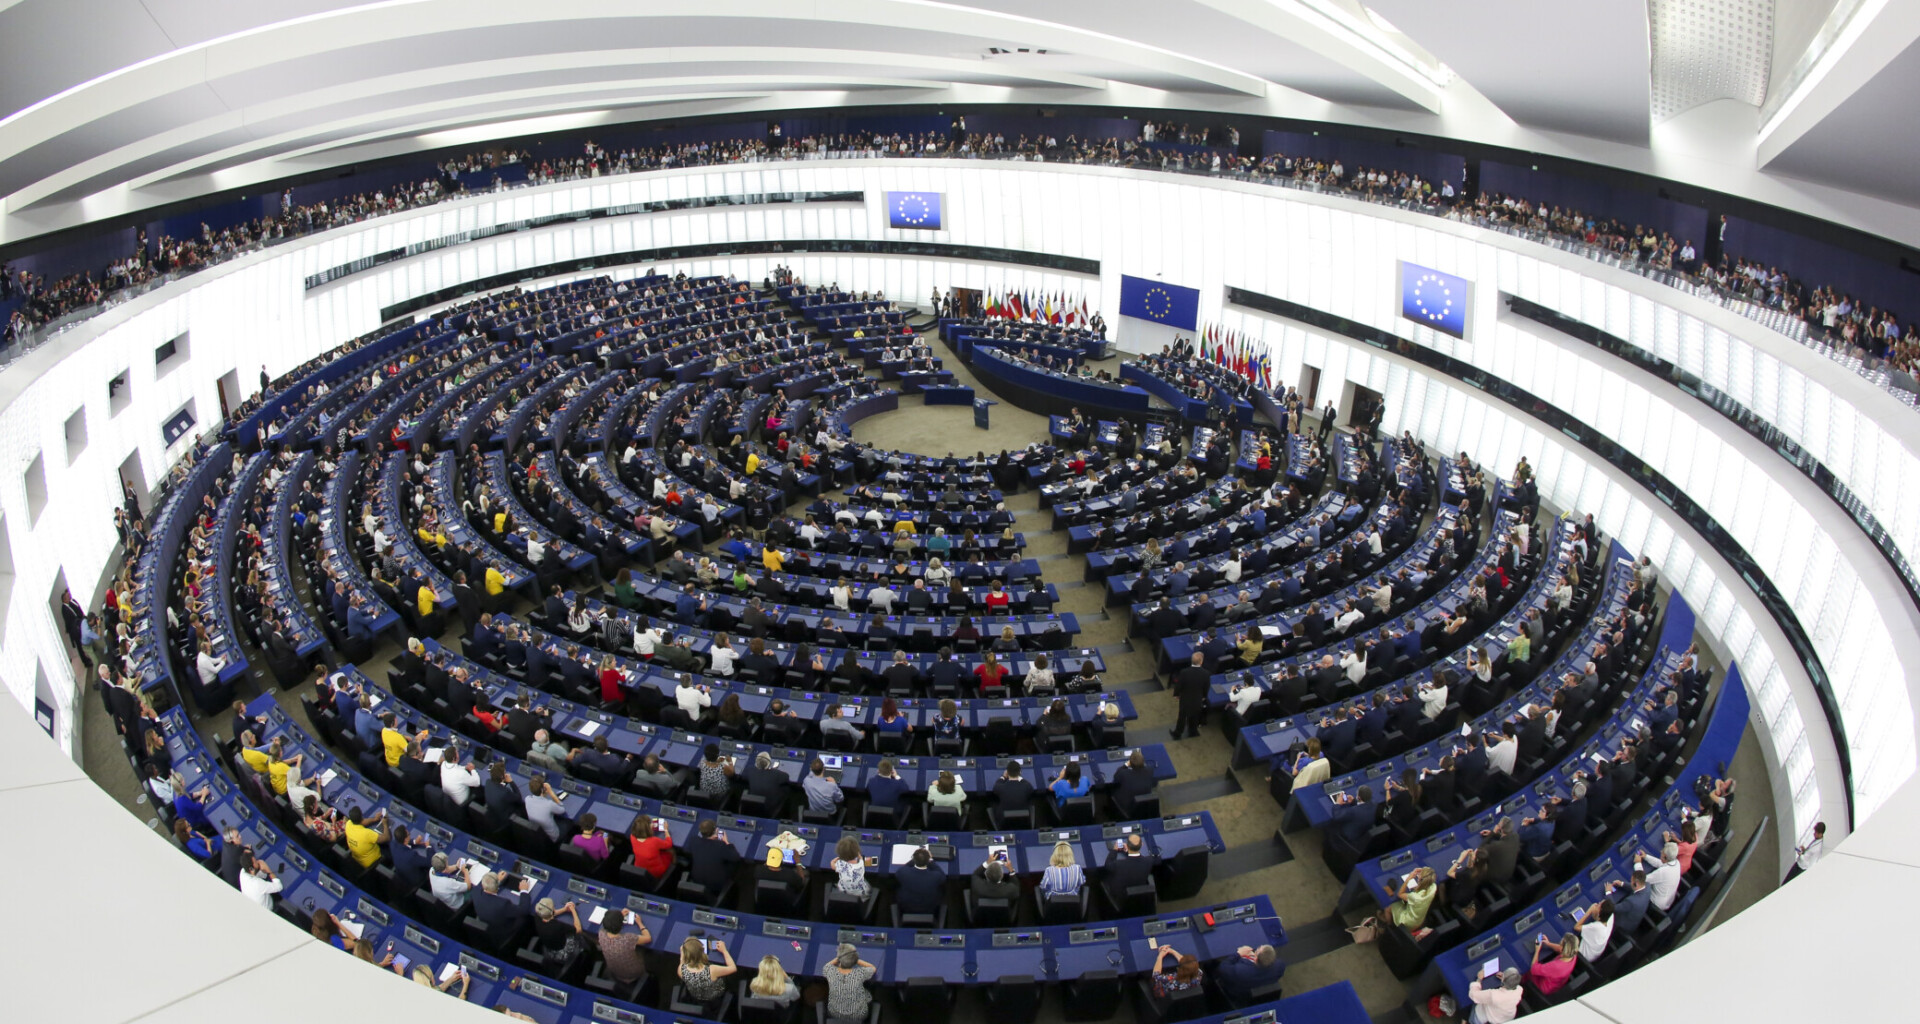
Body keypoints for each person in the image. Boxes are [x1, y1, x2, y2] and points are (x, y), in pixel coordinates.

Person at [1215, 944, 1284, 1006]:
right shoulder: (1280, 967)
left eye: (1257, 949)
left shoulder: (1240, 971)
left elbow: (1223, 967)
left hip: (1235, 988)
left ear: (1256, 958)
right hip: (1256, 983)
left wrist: (1238, 954)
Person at [823, 943, 877, 1021]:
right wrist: (856, 960)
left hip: (834, 1014)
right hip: (859, 1015)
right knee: (868, 993)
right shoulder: (860, 973)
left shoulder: (830, 971)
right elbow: (873, 968)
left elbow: (826, 966)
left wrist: (840, 957)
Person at [678, 936, 737, 1006]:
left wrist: (683, 951)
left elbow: (682, 961)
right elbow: (733, 968)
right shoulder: (712, 970)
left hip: (696, 995)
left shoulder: (681, 970)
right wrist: (724, 950)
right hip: (715, 996)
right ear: (702, 951)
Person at [895, 847, 947, 916]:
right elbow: (942, 876)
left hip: (906, 907)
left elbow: (904, 868)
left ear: (913, 859)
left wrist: (915, 860)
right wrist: (930, 861)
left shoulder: (903, 873)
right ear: (928, 860)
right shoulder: (936, 876)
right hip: (930, 908)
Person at [1172, 651, 1210, 739]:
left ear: (1191, 661)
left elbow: (1179, 685)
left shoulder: (1184, 672)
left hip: (1185, 699)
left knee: (1182, 716)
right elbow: (1206, 687)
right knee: (1194, 715)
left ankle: (1177, 733)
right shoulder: (1206, 674)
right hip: (1197, 699)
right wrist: (1204, 696)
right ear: (1201, 662)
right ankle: (1193, 731)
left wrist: (1176, 694)